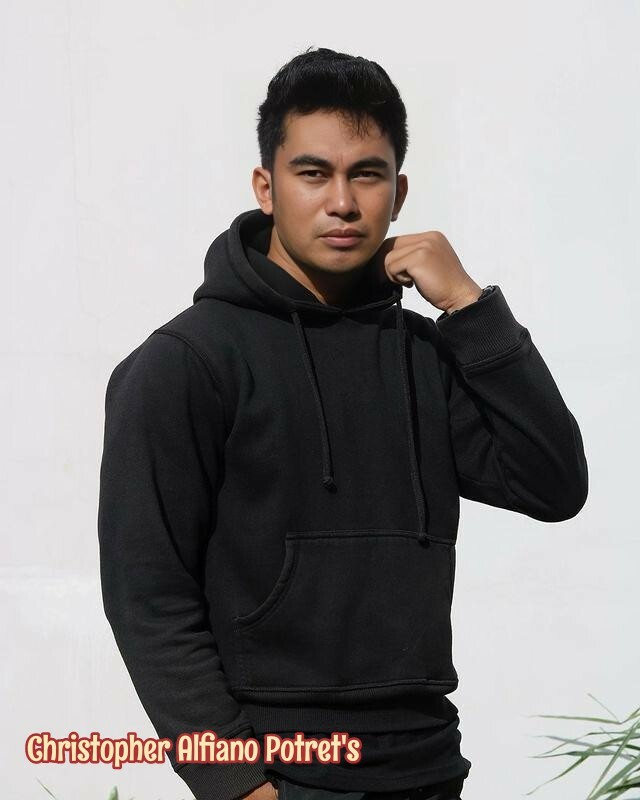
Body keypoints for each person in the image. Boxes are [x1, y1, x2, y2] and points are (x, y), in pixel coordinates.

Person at [97, 46, 589, 800]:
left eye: (367, 174)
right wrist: (234, 784)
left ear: (399, 191)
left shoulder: (423, 353)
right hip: (282, 770)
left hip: (427, 763)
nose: (343, 203)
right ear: (266, 187)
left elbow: (553, 484)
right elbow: (148, 597)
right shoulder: (186, 362)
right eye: (312, 173)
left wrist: (470, 308)